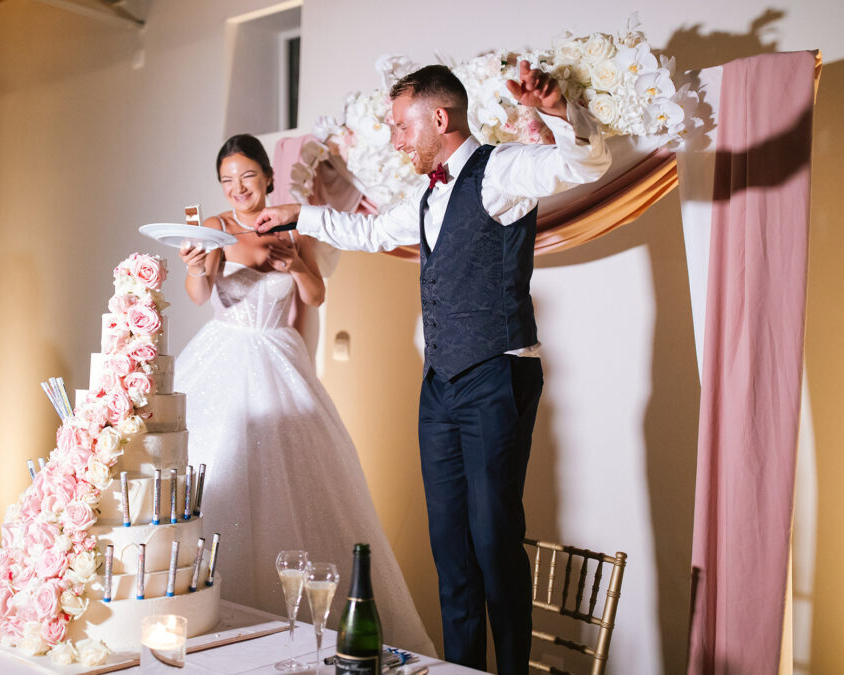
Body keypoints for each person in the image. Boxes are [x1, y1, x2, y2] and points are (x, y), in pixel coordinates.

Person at [255, 63, 612, 672]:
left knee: (494, 540)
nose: (395, 139)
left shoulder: (502, 169)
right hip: (441, 385)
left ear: (438, 119)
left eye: (401, 126)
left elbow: (583, 164)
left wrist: (556, 112)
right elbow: (369, 231)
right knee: (450, 548)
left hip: (495, 373)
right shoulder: (427, 193)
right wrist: (300, 216)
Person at [175, 134, 435, 654]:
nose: (237, 189)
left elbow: (315, 295)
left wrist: (294, 263)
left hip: (278, 357)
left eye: (247, 177)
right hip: (223, 353)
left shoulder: (296, 223)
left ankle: (295, 635)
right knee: (216, 472)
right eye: (227, 181)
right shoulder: (213, 229)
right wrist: (195, 266)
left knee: (294, 488)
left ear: (268, 177)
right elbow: (200, 294)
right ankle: (209, 630)